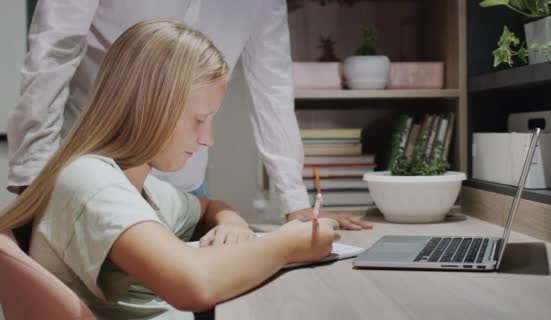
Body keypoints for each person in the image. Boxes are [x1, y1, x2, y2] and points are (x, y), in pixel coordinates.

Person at [0, 20, 340, 320]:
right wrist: (290, 243)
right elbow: (193, 285)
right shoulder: (91, 183)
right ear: (151, 107)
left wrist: (231, 222)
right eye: (199, 120)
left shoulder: (136, 184)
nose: (208, 139)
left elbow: (208, 207)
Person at [7, 0, 372, 242]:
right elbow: (52, 52)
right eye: (201, 119)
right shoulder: (94, 191)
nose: (209, 138)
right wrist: (33, 182)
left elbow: (273, 87)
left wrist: (296, 205)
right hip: (100, 168)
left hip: (183, 186)